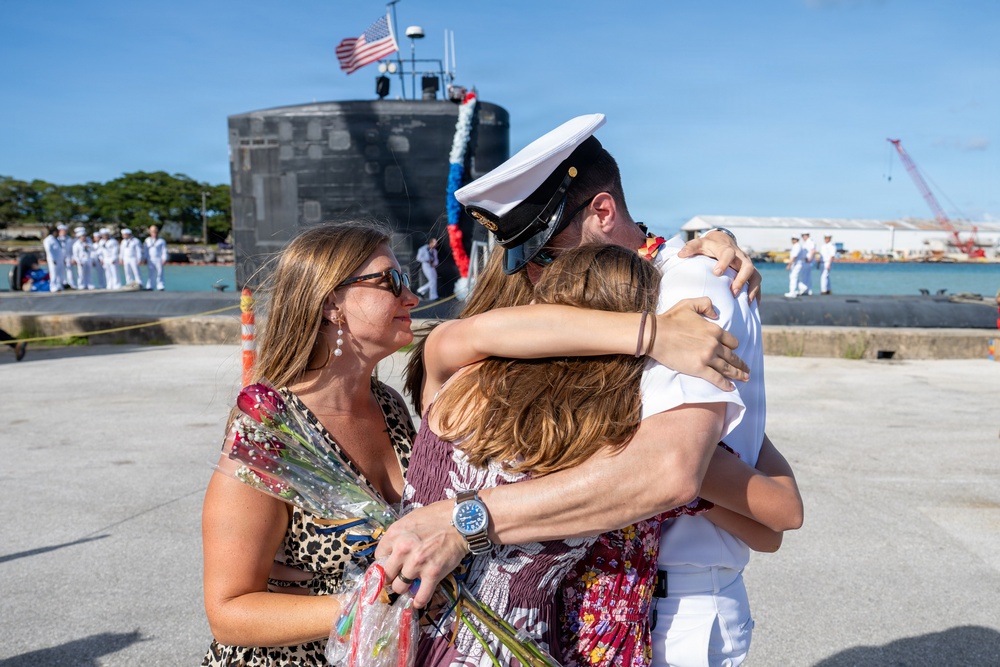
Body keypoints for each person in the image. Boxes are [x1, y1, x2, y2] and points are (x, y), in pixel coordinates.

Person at [377, 114, 801, 666]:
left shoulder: (687, 287)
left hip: (653, 611)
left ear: (602, 211)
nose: (535, 281)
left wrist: (461, 523)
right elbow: (772, 515)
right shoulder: (607, 413)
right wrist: (651, 334)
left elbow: (678, 474)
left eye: (546, 257)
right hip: (581, 624)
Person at [201, 220, 419, 666]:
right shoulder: (270, 430)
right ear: (330, 303)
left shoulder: (388, 404)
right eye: (391, 281)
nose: (411, 297)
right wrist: (374, 601)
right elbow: (228, 611)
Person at [42, 225, 67, 292]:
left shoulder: (56, 239)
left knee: (59, 273)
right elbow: (49, 251)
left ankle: (59, 285)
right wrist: (53, 259)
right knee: (53, 273)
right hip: (53, 259)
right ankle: (53, 286)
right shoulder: (48, 240)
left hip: (59, 259)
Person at [144, 224, 167, 290]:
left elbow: (164, 250)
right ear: (150, 233)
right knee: (151, 273)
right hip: (150, 258)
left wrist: (164, 258)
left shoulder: (161, 241)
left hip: (158, 258)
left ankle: (160, 285)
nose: (154, 233)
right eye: (153, 232)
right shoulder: (147, 240)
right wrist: (145, 258)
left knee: (160, 272)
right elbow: (145, 250)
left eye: (155, 232)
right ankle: (150, 285)